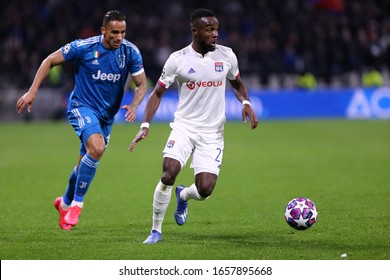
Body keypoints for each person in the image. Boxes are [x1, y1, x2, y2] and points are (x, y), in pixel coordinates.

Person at [129, 8, 258, 244]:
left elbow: (238, 84)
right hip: (184, 127)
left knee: (205, 189)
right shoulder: (178, 60)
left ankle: (184, 195)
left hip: (213, 132)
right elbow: (157, 94)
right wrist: (145, 124)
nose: (215, 34)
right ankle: (156, 231)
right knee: (169, 172)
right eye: (209, 30)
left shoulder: (227, 56)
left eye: (216, 29)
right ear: (195, 31)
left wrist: (246, 102)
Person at [16, 10, 147, 230]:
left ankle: (64, 201)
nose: (119, 37)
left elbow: (142, 84)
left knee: (84, 164)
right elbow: (50, 60)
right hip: (81, 107)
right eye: (114, 32)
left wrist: (134, 105)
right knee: (97, 148)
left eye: (123, 32)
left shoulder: (130, 52)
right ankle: (76, 205)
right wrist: (32, 91)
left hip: (106, 116)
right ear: (103, 30)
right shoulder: (84, 47)